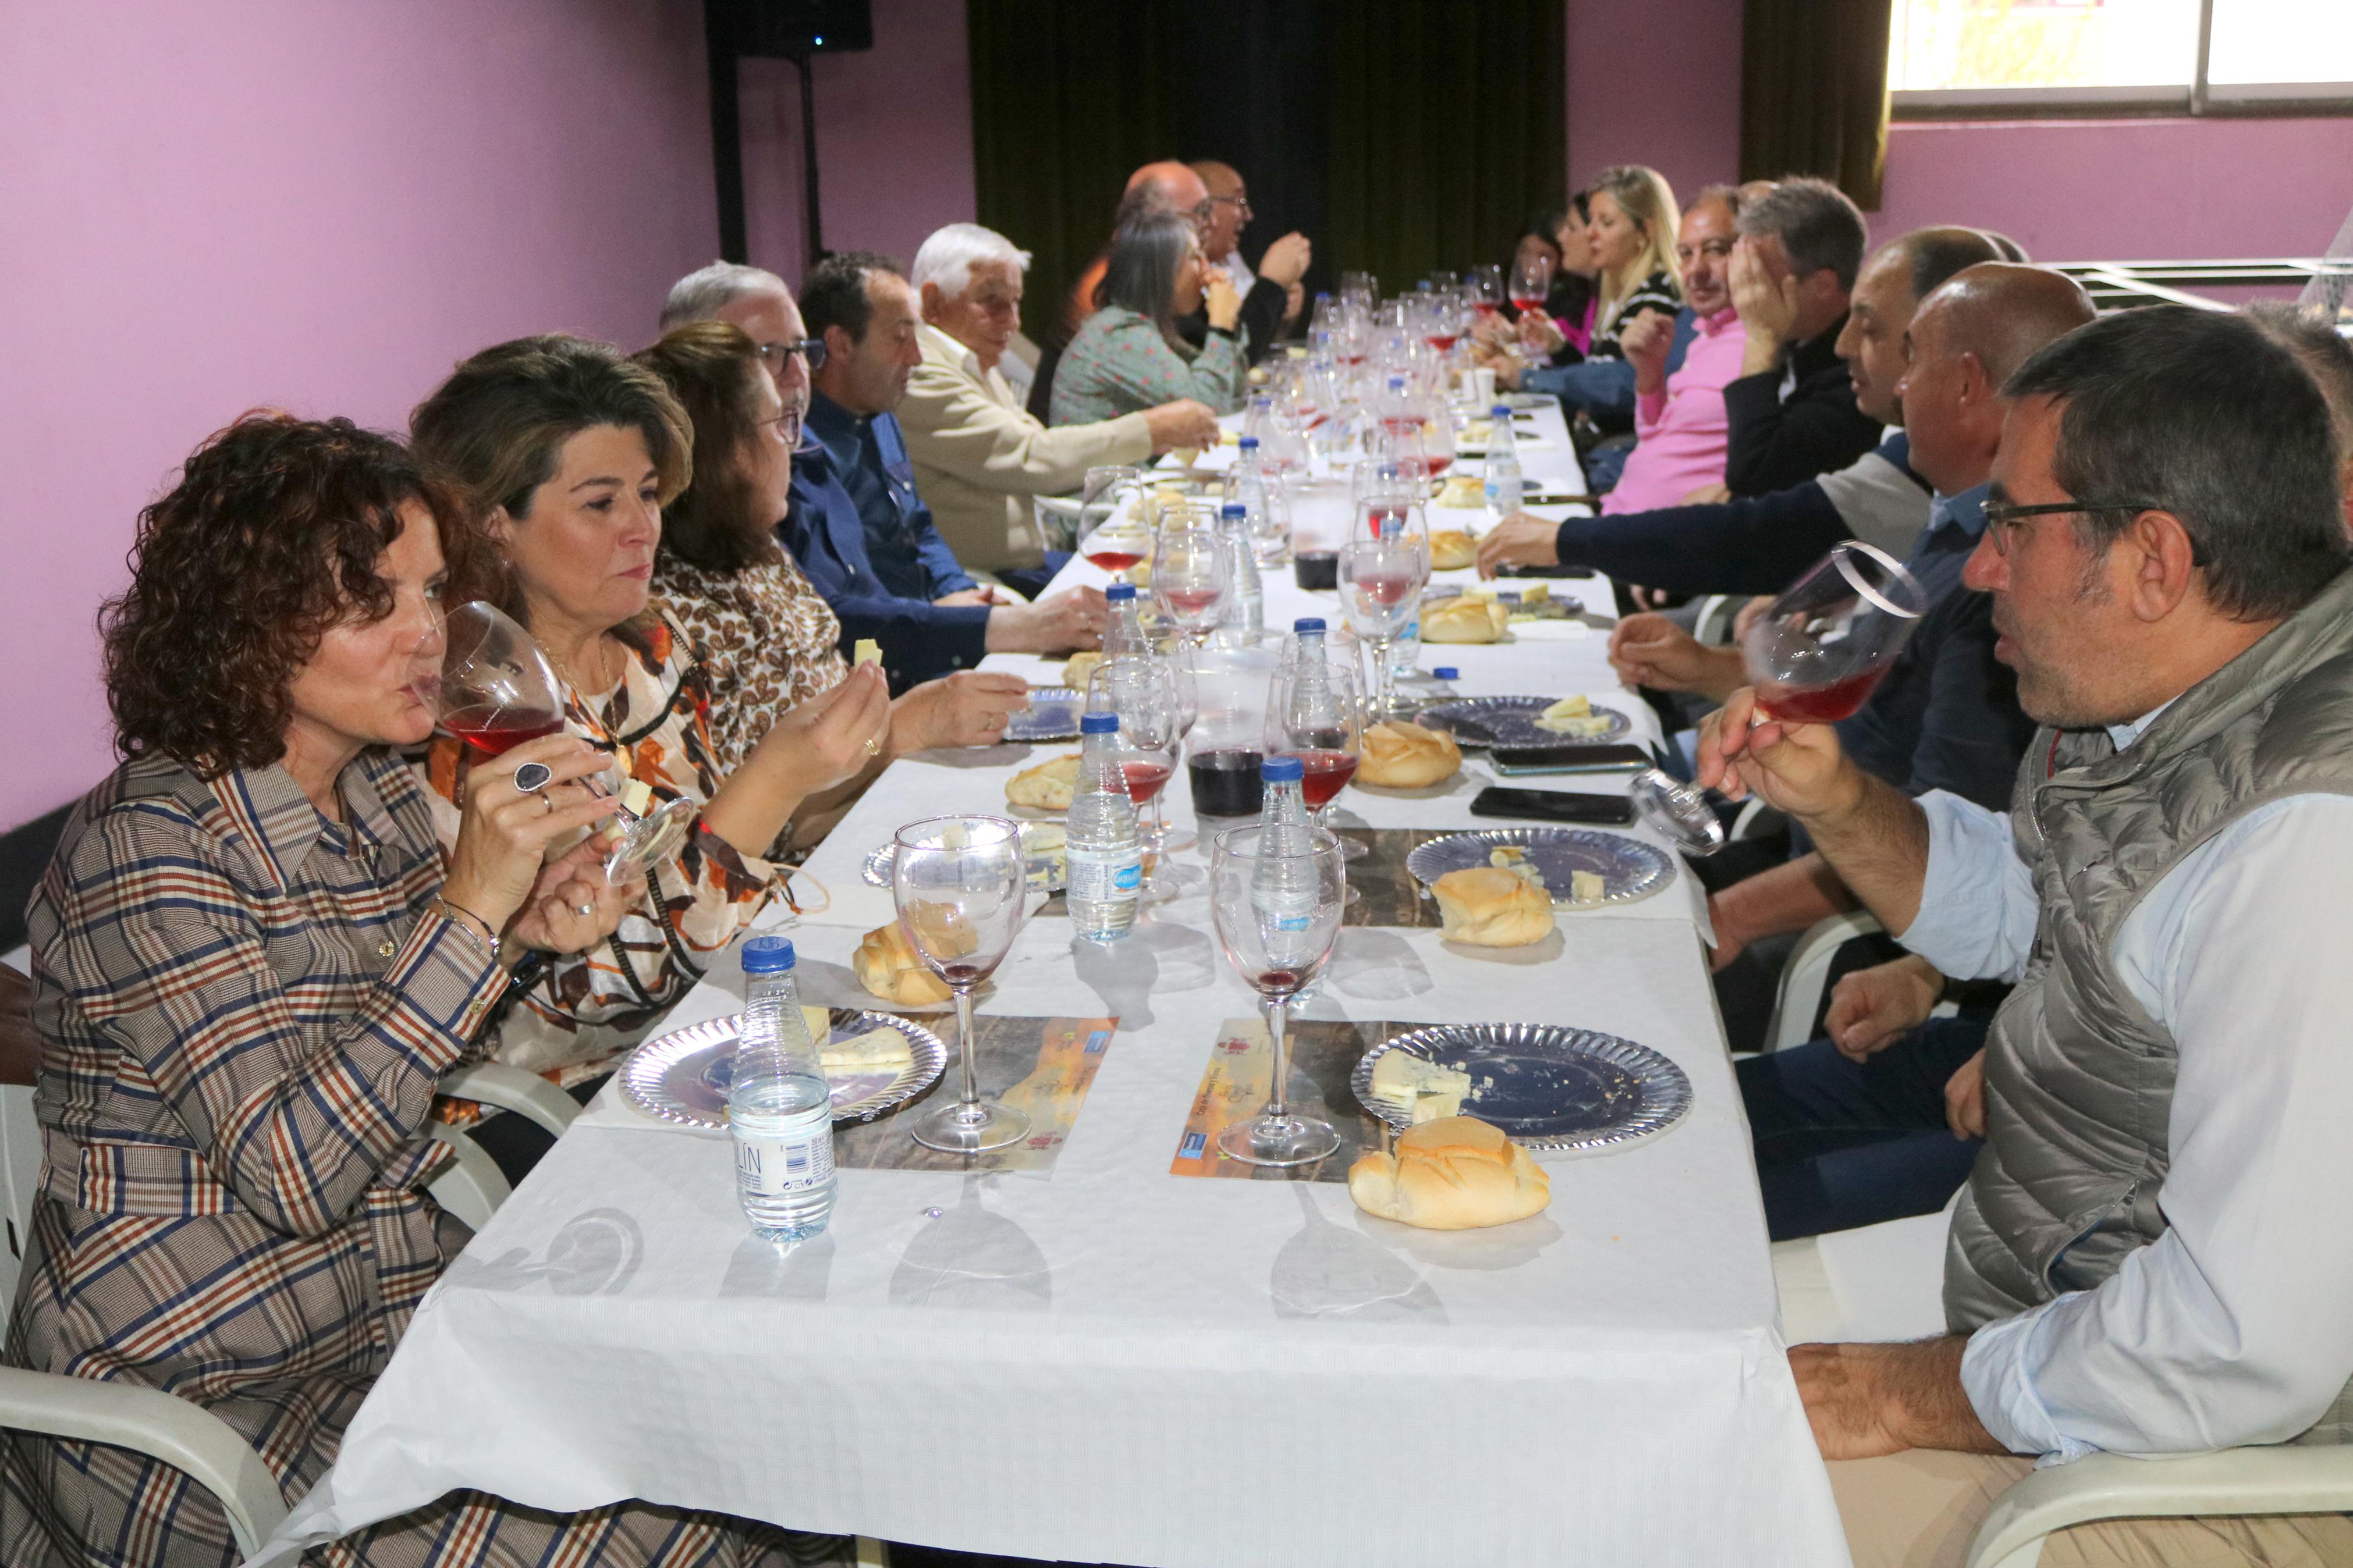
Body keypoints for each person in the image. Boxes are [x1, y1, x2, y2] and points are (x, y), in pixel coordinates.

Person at [1, 414, 789, 1567]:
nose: (428, 635)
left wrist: (520, 931)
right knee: (682, 1523)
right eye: (376, 603)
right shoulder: (149, 850)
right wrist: (470, 915)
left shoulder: (368, 791)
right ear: (249, 624)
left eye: (430, 592)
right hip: (204, 1410)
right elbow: (294, 1171)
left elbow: (391, 1049)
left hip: (394, 1333)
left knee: (749, 1442)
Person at [1696, 306, 2353, 1563]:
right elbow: (2034, 908)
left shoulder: (2307, 845)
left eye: (2011, 521)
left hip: (2214, 1455)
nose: (1978, 565)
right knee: (1668, 1338)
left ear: (2151, 560)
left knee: (1686, 1485)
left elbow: (2239, 1343)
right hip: (2052, 1282)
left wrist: (1905, 1393)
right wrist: (1836, 799)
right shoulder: (2170, 699)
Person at [411, 334, 889, 1086]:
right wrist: (773, 780)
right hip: (578, 1093)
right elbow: (595, 988)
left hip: (720, 1018)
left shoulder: (653, 648)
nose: (642, 526)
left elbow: (717, 880)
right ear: (493, 523)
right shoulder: (479, 720)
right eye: (600, 502)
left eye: (646, 491)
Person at [636, 320, 1030, 828]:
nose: (792, 447)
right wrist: (903, 730)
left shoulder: (755, 550)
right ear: (728, 454)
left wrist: (900, 727)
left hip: (870, 805)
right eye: (781, 424)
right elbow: (754, 835)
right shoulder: (682, 617)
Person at [1475, 228, 2004, 588]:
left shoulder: (1915, 461)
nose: (1844, 346)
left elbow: (1758, 527)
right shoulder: (1907, 451)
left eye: (1868, 329)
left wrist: (1564, 538)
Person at [789, 252, 1109, 688]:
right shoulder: (798, 455)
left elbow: (918, 524)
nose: (917, 357)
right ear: (841, 344)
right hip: (886, 670)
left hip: (939, 627)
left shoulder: (881, 413)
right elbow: (843, 616)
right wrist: (991, 624)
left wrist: (957, 589)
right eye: (902, 337)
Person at [896, 222, 1218, 593]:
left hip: (1029, 556)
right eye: (992, 302)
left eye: (1015, 302)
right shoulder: (921, 372)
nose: (1014, 323)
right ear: (934, 302)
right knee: (1171, 591)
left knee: (1182, 576)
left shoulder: (967, 359)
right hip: (981, 581)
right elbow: (1031, 458)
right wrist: (1153, 429)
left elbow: (1034, 444)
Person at [1483, 165, 1683, 431]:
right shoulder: (1618, 293)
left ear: (1644, 233)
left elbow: (1621, 386)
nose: (1591, 233)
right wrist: (1561, 348)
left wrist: (1526, 378)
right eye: (1591, 222)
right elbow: (1598, 375)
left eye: (1606, 223)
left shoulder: (1657, 292)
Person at [1722, 177, 1883, 497]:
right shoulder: (1799, 340)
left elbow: (1753, 473)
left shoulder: (1859, 373)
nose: (1741, 289)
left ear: (1822, 285)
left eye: (1758, 273)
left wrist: (1761, 340)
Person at [1595, 186, 1748, 515]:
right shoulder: (1705, 331)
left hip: (1657, 548)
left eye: (1715, 250)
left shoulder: (1762, 340)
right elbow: (1656, 437)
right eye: (1686, 254)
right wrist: (1649, 375)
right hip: (1615, 523)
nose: (1696, 270)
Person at [1050, 209, 1250, 428]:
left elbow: (1234, 389)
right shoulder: (1120, 337)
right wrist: (1221, 328)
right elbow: (1206, 410)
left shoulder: (1142, 326)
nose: (1206, 269)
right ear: (1162, 271)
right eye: (1195, 257)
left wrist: (1223, 316)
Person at [1187, 158, 1312, 353]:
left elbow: (1249, 344)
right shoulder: (1175, 273)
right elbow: (1224, 357)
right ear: (1203, 205)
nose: (1249, 215)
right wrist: (1271, 284)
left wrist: (1281, 321)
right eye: (1239, 202)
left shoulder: (1229, 258)